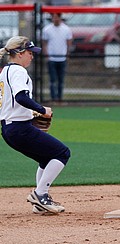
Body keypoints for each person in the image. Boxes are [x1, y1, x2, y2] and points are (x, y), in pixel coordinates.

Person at [0, 36, 71, 214]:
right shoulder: (18, 71)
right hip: (19, 128)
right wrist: (42, 109)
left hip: (9, 129)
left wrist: (30, 113)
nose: (32, 56)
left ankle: (39, 202)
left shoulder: (5, 72)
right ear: (19, 53)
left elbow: (12, 102)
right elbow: (21, 97)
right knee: (62, 152)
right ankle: (40, 194)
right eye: (29, 52)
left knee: (46, 159)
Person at [42, 13, 72, 102]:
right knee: (52, 80)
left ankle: (60, 98)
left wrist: (67, 54)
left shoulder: (66, 29)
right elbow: (44, 43)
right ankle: (53, 98)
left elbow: (69, 42)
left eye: (57, 17)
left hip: (62, 58)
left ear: (60, 18)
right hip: (51, 58)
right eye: (53, 17)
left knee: (61, 80)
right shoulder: (47, 29)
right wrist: (46, 54)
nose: (55, 19)